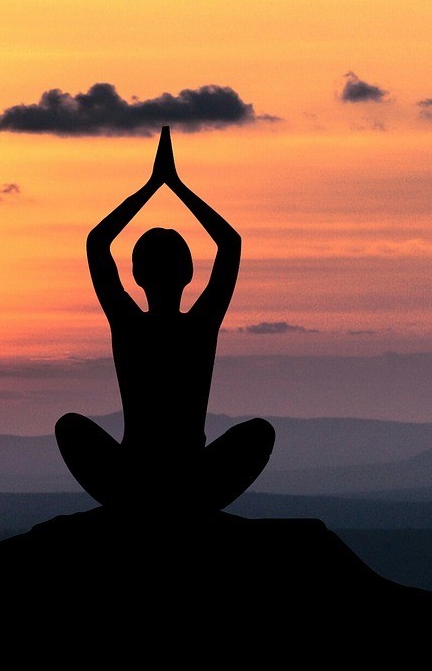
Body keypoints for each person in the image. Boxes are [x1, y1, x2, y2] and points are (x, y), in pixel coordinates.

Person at [55, 126, 274, 513]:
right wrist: (174, 185)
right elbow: (230, 244)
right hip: (190, 479)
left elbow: (97, 243)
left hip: (135, 478)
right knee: (259, 433)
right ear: (189, 273)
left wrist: (154, 185)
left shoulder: (129, 324)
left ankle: (142, 506)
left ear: (136, 275)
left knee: (70, 427)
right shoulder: (200, 325)